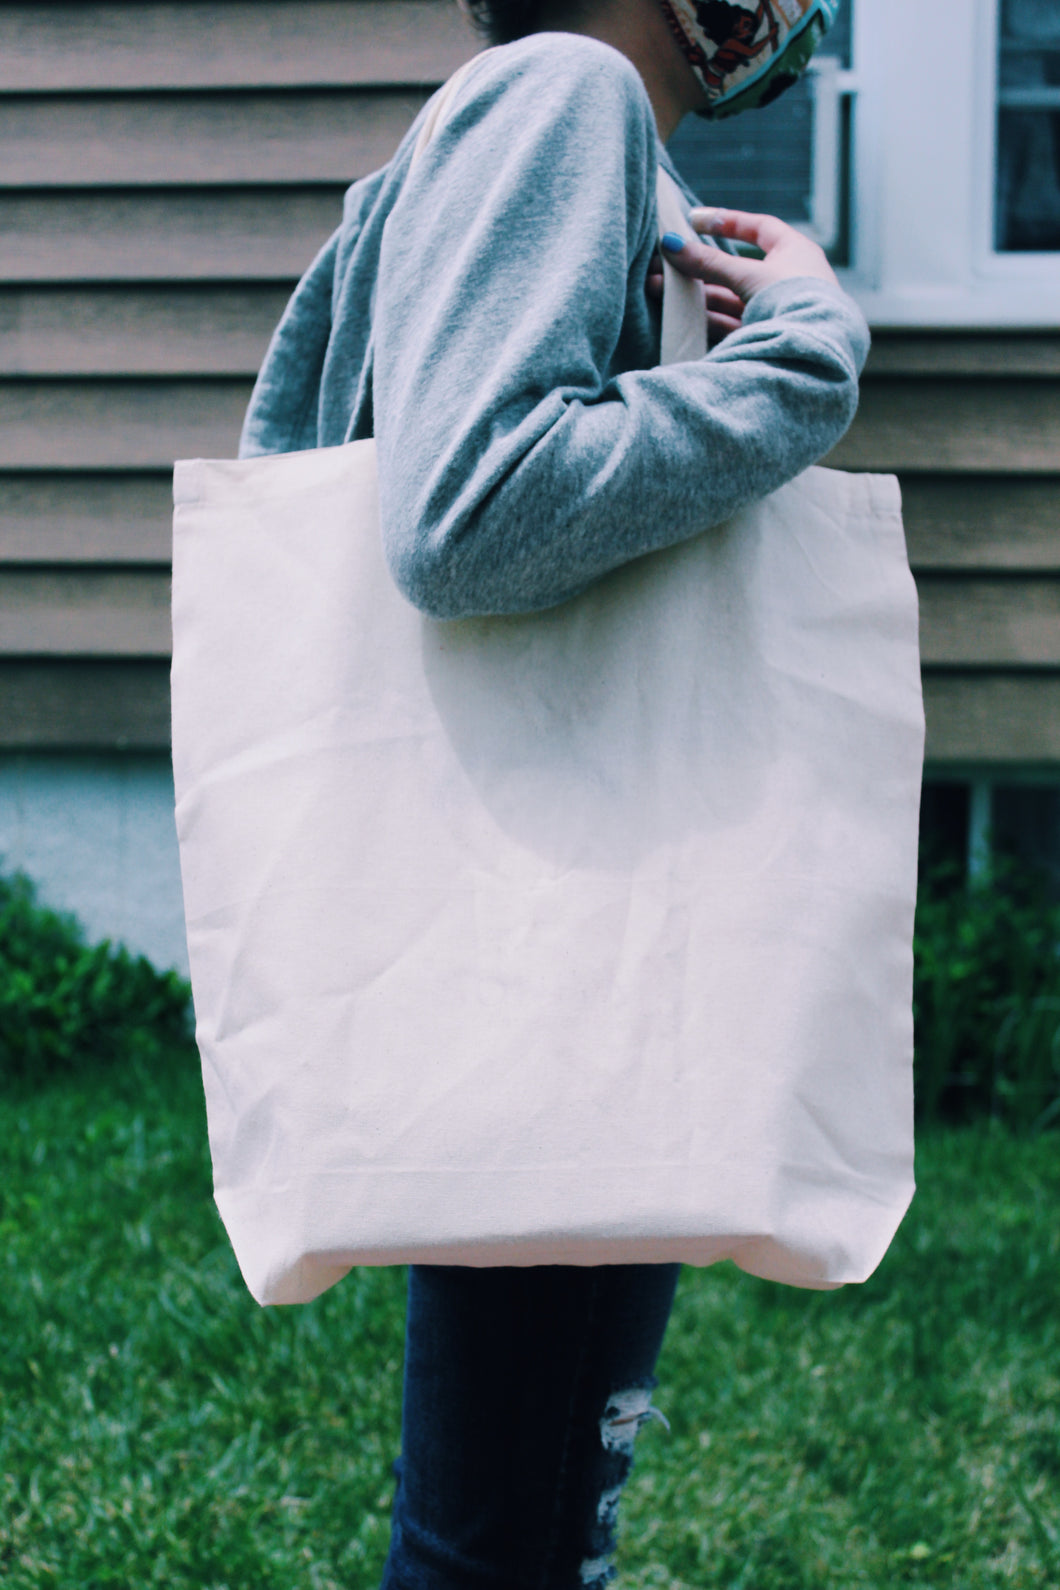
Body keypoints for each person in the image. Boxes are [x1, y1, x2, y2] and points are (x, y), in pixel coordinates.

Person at [240, 1, 868, 1583]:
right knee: (501, 1543)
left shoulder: (559, 131)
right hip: (558, 935)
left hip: (531, 916)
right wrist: (800, 359)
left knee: (519, 1523)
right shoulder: (565, 95)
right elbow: (466, 516)